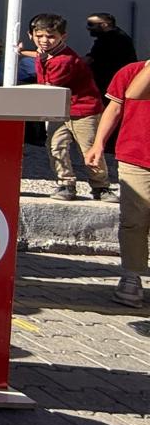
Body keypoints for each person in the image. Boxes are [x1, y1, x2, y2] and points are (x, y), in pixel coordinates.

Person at [86, 59, 150, 307]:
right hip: (136, 155)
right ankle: (132, 274)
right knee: (135, 217)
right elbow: (123, 101)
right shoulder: (132, 71)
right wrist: (98, 144)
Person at [30, 13, 114, 201]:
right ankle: (65, 183)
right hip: (60, 109)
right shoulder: (46, 54)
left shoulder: (64, 60)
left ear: (63, 36)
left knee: (89, 149)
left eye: (50, 36)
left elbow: (50, 86)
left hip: (83, 110)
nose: (44, 40)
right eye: (39, 36)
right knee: (55, 146)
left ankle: (101, 186)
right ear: (31, 35)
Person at [85, 12, 139, 94]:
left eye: (91, 24)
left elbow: (90, 59)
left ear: (104, 25)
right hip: (118, 81)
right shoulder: (119, 35)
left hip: (109, 83)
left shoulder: (108, 39)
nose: (88, 28)